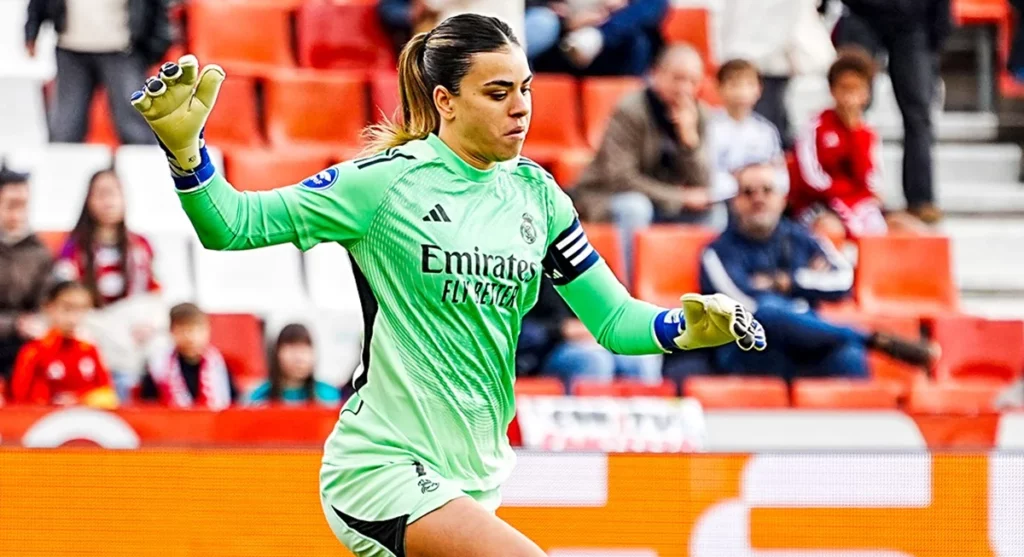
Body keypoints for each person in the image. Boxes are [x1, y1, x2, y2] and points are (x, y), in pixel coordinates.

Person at [130, 15, 765, 557]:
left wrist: (682, 329)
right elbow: (232, 226)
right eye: (497, 92)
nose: (520, 107)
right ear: (445, 101)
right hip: (380, 468)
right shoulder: (383, 185)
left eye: (525, 89)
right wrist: (189, 155)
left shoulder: (537, 195)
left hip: (476, 479)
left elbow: (614, 321)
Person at [701, 163, 935, 382]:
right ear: (734, 202)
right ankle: (872, 339)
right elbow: (747, 308)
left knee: (849, 357)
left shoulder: (803, 238)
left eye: (767, 190)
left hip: (804, 343)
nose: (758, 198)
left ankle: (861, 414)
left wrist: (789, 281)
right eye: (748, 192)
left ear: (783, 199)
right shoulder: (717, 252)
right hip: (750, 351)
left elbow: (843, 280)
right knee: (769, 310)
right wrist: (800, 296)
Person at [575, 44, 712, 276]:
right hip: (605, 195)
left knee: (714, 212)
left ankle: (698, 288)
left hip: (663, 201)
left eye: (692, 81)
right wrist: (679, 197)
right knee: (635, 207)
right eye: (678, 79)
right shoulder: (630, 110)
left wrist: (689, 141)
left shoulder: (700, 114)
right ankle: (630, 293)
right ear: (657, 74)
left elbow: (702, 182)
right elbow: (620, 178)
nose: (685, 89)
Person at [829, 0, 951, 224]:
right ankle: (843, 191)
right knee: (848, 104)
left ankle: (921, 199)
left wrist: (940, 27)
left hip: (914, 21)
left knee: (918, 114)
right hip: (860, 13)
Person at [788, 48, 925, 243]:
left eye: (856, 89)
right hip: (818, 205)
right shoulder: (814, 126)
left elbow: (871, 179)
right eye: (844, 88)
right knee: (831, 230)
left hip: (859, 204)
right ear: (832, 91)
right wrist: (849, 192)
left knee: (913, 231)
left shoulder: (867, 133)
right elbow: (812, 179)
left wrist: (854, 131)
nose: (849, 96)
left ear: (866, 94)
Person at [55, 169, 166, 399]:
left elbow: (157, 295)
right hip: (92, 326)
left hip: (133, 330)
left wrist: (151, 324)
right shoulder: (72, 248)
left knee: (161, 344)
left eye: (113, 194)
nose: (108, 202)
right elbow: (64, 297)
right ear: (89, 201)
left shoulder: (141, 246)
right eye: (101, 195)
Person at [24, 0, 170, 144]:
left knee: (134, 125)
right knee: (66, 125)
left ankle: (141, 166)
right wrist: (31, 31)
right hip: (71, 50)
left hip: (123, 51)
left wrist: (156, 44)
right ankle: (62, 166)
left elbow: (156, 8)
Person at [517, 278, 662, 384]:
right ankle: (592, 424)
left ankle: (644, 424)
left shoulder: (594, 266)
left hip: (600, 340)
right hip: (550, 350)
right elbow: (554, 328)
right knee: (596, 360)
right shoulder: (540, 272)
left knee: (642, 357)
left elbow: (621, 312)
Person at [10, 280, 118, 408]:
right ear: (49, 307)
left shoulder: (89, 350)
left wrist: (81, 400)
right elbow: (20, 398)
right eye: (67, 309)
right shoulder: (34, 351)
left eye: (81, 310)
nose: (73, 318)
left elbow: (108, 394)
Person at [706, 59, 788, 216]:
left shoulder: (766, 131)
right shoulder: (709, 127)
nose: (741, 92)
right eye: (735, 85)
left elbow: (779, 174)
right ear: (719, 88)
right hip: (724, 199)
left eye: (748, 85)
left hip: (760, 198)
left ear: (759, 90)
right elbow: (708, 172)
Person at [0, 165, 52, 382]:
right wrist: (14, 323)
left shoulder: (40, 252)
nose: (17, 214)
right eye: (11, 205)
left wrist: (36, 322)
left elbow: (46, 303)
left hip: (24, 343)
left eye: (23, 205)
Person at [532, 0, 668, 76]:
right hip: (567, 42)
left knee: (639, 41)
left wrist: (611, 16)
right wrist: (568, 21)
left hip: (616, 46)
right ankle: (596, 37)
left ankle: (598, 36)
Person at [139, 303, 234, 410]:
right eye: (184, 330)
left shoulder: (218, 366)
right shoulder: (158, 367)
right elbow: (148, 405)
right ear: (171, 331)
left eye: (198, 330)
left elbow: (232, 403)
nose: (191, 337)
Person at [247, 323, 342, 406]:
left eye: (304, 349)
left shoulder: (328, 395)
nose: (299, 358)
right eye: (292, 349)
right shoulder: (260, 398)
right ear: (277, 354)